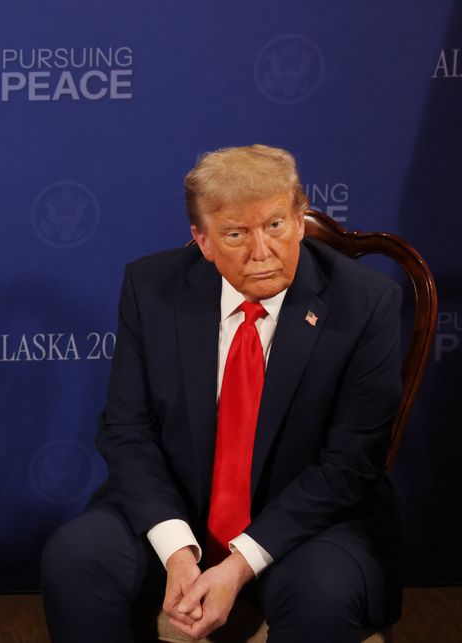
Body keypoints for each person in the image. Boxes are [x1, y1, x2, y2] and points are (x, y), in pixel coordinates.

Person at [40, 145, 402, 642]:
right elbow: (127, 430)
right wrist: (176, 550)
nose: (261, 251)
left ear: (300, 218)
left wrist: (239, 565)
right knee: (76, 557)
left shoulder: (365, 303)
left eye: (275, 225)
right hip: (180, 505)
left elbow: (350, 464)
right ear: (202, 241)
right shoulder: (151, 288)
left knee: (323, 594)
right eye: (236, 234)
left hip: (310, 524)